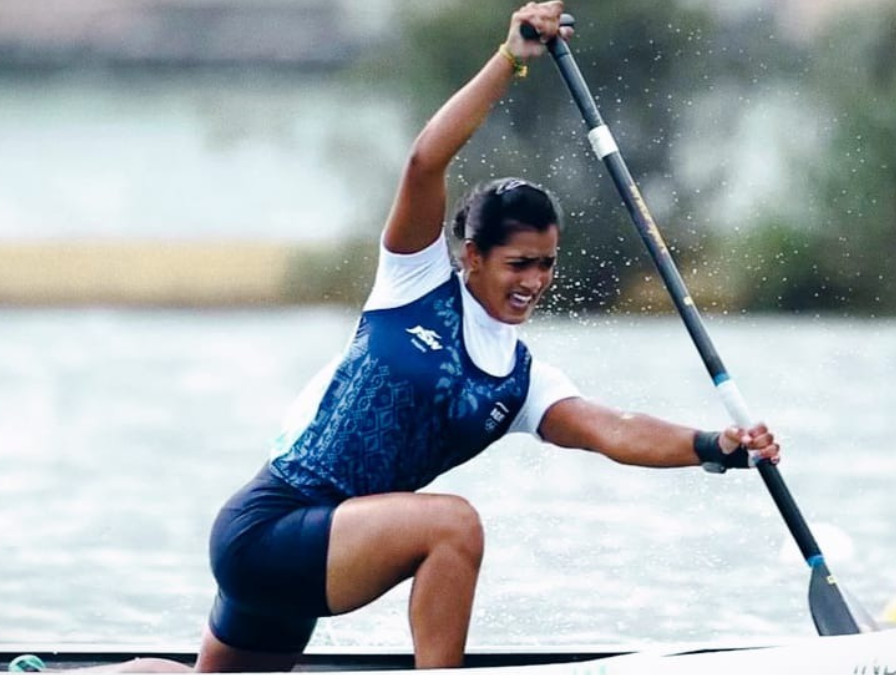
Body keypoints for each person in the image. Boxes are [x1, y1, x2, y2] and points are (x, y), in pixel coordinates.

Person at [192, 1, 781, 671]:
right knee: (454, 523)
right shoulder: (414, 282)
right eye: (518, 263)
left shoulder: (522, 381)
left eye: (547, 263)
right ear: (471, 256)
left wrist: (718, 446)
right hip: (269, 525)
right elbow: (424, 163)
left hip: (327, 547)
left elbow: (615, 430)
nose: (535, 280)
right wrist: (509, 61)